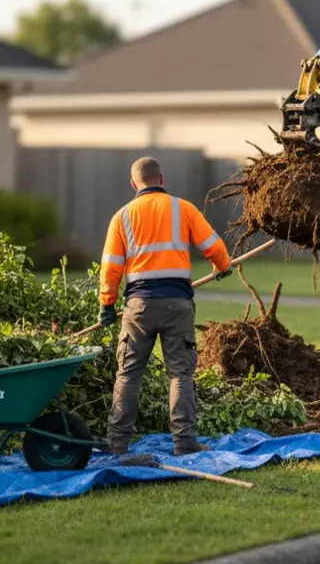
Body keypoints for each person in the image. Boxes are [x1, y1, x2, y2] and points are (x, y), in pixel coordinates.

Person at [98, 156, 233, 456]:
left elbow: (111, 267)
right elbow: (213, 246)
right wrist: (222, 266)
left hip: (139, 308)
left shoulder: (122, 217)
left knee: (128, 374)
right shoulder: (183, 208)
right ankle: (184, 443)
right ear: (162, 179)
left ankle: (117, 444)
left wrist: (107, 304)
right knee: (180, 374)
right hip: (177, 305)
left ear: (134, 184)